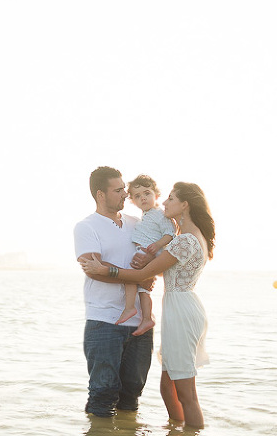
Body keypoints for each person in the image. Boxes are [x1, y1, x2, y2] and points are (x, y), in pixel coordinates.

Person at [80, 182, 215, 429]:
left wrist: (105, 270)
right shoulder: (187, 238)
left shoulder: (185, 240)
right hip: (179, 308)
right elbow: (160, 271)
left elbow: (143, 273)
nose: (164, 203)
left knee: (186, 394)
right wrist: (149, 268)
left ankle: (191, 430)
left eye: (171, 198)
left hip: (182, 312)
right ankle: (176, 429)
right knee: (168, 386)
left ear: (184, 205)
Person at [74, 166, 155, 419]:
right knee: (102, 393)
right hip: (104, 321)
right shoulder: (87, 227)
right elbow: (93, 269)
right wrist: (138, 275)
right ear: (101, 194)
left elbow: (152, 261)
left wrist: (147, 272)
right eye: (118, 190)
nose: (125, 194)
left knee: (132, 394)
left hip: (140, 324)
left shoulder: (137, 224)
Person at [118, 175, 176, 336]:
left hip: (150, 252)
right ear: (133, 201)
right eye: (137, 196)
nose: (143, 198)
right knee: (144, 289)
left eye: (147, 193)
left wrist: (157, 245)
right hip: (145, 252)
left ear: (156, 195)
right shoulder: (146, 216)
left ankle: (129, 308)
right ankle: (146, 318)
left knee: (129, 277)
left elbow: (170, 233)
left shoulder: (159, 214)